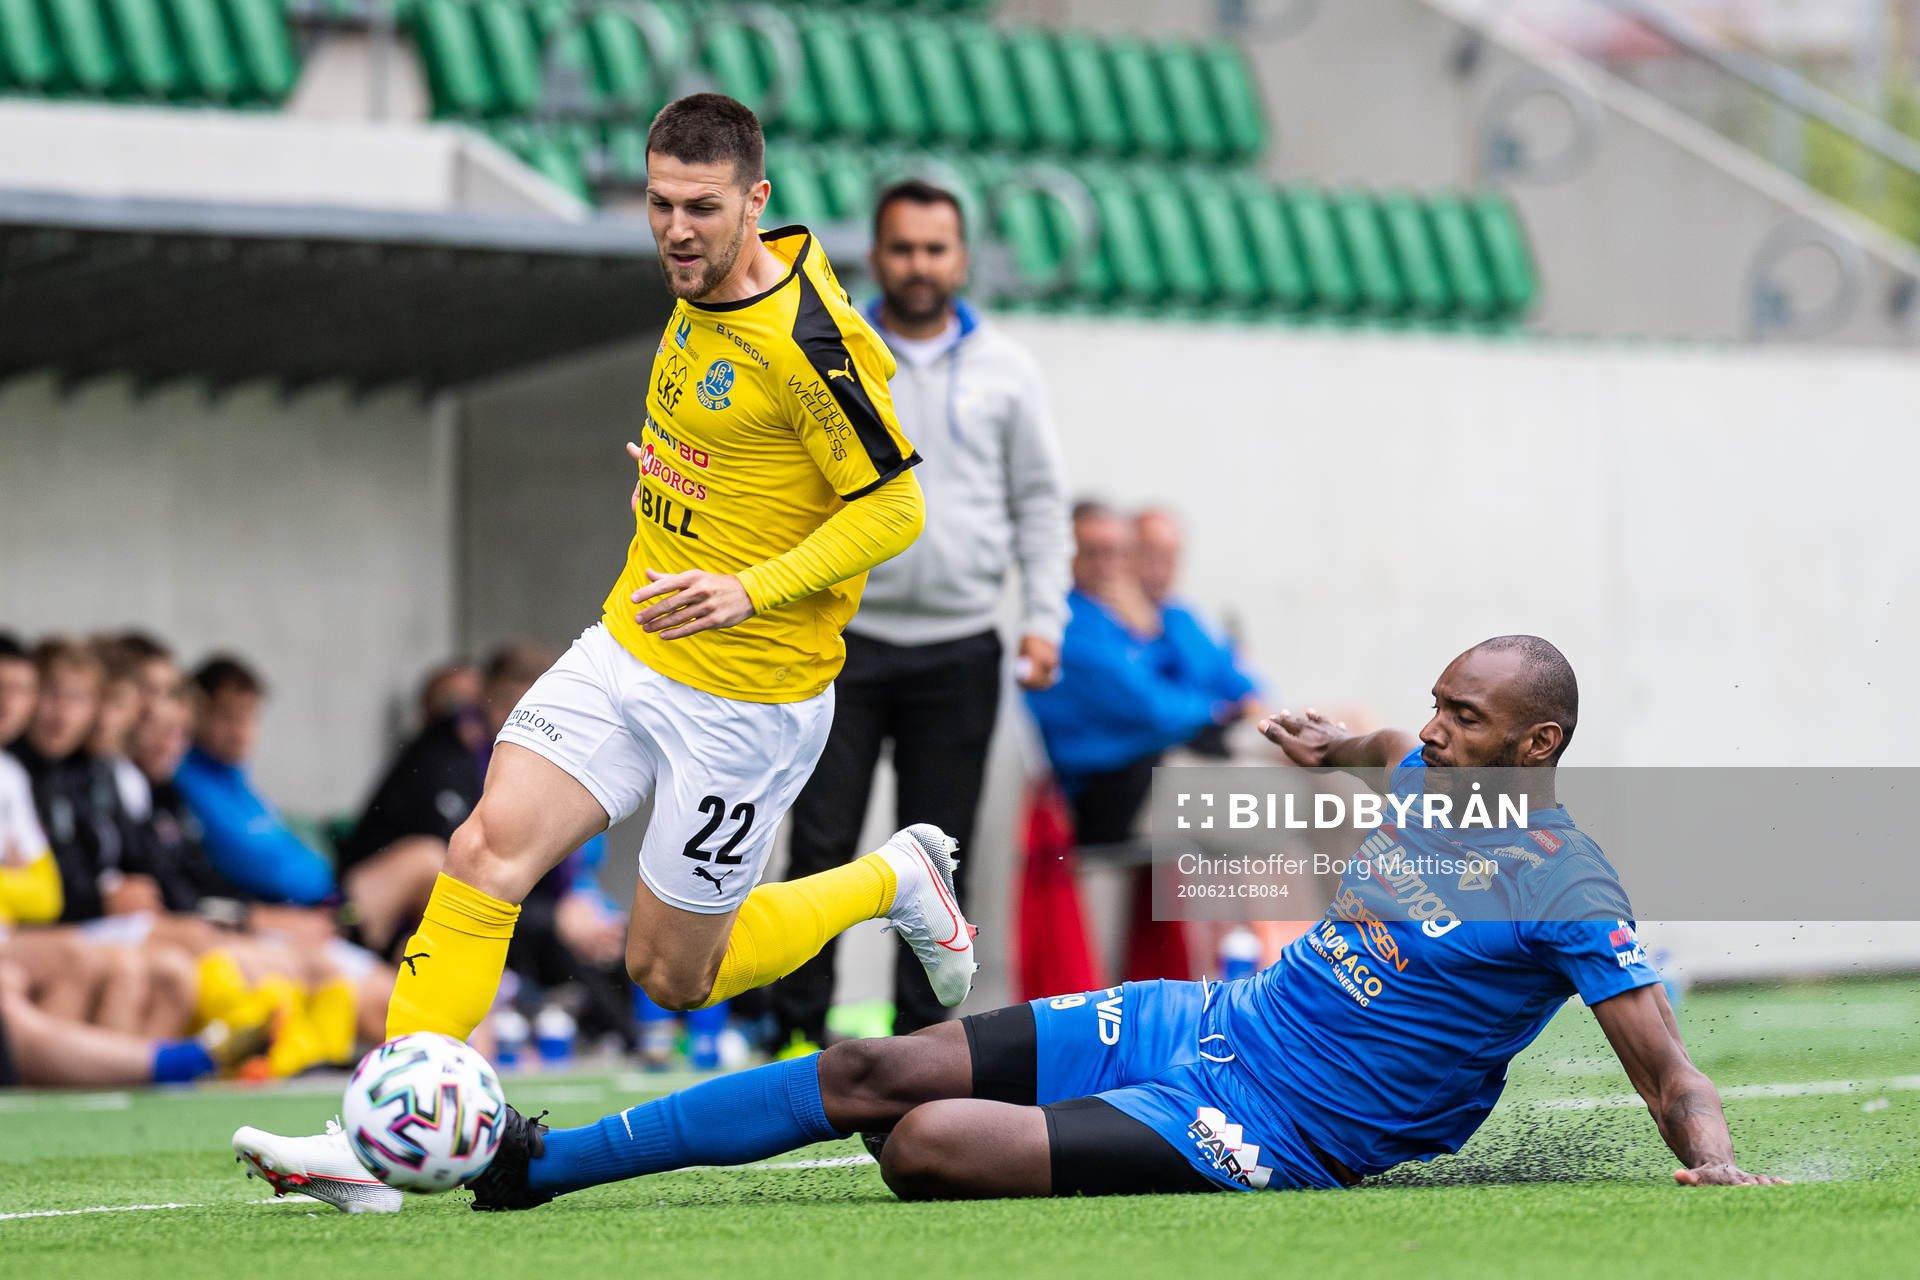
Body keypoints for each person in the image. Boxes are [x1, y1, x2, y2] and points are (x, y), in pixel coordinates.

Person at [274, 635, 1775, 1213]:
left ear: (1536, 747)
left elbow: (1664, 1068)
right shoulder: (1435, 773)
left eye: (1469, 719)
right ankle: (540, 1165)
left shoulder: (1569, 882)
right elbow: (1392, 751)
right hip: (1214, 1029)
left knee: (922, 1147)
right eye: (1439, 707)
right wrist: (1351, 741)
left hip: (1274, 1134)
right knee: (883, 1069)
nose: (1440, 734)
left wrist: (1711, 1164)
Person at [234, 92, 977, 1204]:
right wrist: (680, 483)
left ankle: (892, 877)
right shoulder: (694, 289)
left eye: (702, 207)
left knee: (672, 973)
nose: (675, 228)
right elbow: (739, 456)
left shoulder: (812, 341)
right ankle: (377, 1140)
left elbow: (895, 510)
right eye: (659, 202)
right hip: (627, 646)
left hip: (749, 696)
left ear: (755, 201)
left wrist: (747, 584)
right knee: (484, 849)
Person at [772, 179, 1071, 1047]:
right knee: (820, 843)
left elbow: (1041, 505)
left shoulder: (1011, 369)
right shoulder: (831, 347)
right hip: (841, 640)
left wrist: (1043, 620)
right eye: (902, 248)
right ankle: (793, 1034)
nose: (918, 265)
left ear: (962, 258)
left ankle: (923, 1041)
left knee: (941, 861)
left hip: (962, 650)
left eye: (934, 249)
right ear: (876, 253)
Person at [1026, 503, 1243, 846]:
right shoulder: (1070, 625)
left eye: (1117, 553)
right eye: (1093, 553)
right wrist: (1216, 709)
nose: (1107, 565)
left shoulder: (1138, 616)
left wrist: (1150, 634)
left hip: (1147, 767)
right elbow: (1151, 707)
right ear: (1066, 557)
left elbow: (1229, 681)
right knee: (1279, 799)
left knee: (1311, 769)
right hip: (1100, 792)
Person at [172, 656, 342, 908]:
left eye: (249, 717)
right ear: (195, 715)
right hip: (278, 914)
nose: (241, 733)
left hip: (319, 904)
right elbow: (255, 865)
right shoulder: (183, 777)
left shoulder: (235, 778)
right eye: (228, 718)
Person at [1132, 509, 1263, 756]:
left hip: (1216, 733)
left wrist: (1248, 698)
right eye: (1151, 555)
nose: (1162, 569)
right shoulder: (1106, 620)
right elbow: (1148, 704)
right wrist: (1218, 709)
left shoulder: (1180, 617)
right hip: (1161, 752)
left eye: (1171, 557)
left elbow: (1232, 674)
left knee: (1344, 726)